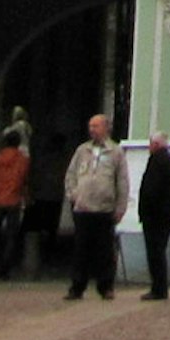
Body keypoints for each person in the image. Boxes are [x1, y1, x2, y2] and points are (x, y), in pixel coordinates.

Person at [59, 114, 124, 301]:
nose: (92, 129)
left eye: (96, 126)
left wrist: (120, 206)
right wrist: (73, 194)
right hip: (83, 207)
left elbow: (122, 181)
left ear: (106, 128)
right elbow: (71, 175)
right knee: (81, 249)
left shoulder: (115, 152)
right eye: (90, 126)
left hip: (104, 208)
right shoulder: (82, 150)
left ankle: (106, 287)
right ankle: (77, 287)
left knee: (104, 250)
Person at [132, 133, 170, 302]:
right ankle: (159, 287)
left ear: (155, 144)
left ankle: (158, 288)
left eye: (150, 143)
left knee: (155, 253)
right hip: (167, 214)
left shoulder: (157, 161)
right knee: (159, 251)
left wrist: (146, 211)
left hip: (155, 216)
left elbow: (150, 190)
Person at [0, 117, 33, 281]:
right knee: (11, 236)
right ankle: (6, 268)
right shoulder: (23, 161)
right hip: (14, 201)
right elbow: (24, 181)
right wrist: (26, 198)